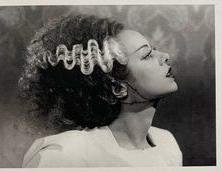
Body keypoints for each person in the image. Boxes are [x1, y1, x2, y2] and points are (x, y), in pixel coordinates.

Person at [19, 14, 182, 167]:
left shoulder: (167, 143)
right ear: (118, 88)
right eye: (147, 55)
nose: (165, 56)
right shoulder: (64, 154)